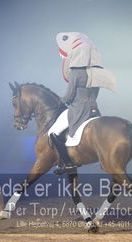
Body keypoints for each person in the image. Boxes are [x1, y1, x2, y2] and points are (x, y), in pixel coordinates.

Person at [48, 32, 107, 174]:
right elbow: (96, 93)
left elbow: (69, 96)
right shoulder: (95, 72)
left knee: (52, 133)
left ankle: (68, 162)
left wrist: (60, 102)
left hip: (78, 109)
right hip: (93, 108)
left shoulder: (75, 72)